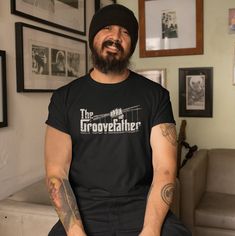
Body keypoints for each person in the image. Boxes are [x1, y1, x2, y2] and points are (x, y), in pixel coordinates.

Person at [44, 4, 191, 236]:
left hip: (141, 206)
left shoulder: (155, 96)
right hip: (84, 209)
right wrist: (75, 232)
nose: (115, 37)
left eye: (125, 32)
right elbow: (56, 173)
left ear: (131, 45)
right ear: (93, 37)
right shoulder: (64, 98)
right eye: (107, 28)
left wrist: (151, 230)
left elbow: (164, 169)